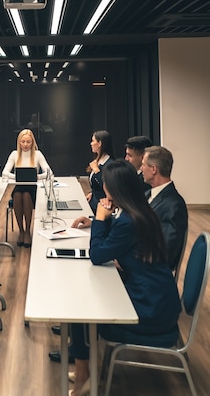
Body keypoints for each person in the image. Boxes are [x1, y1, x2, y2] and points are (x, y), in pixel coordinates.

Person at [69, 160, 181, 396]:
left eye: (107, 186)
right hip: (158, 299)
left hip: (150, 310)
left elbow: (98, 254)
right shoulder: (140, 212)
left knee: (79, 309)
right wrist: (103, 221)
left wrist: (100, 219)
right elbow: (118, 245)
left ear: (116, 189)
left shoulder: (128, 221)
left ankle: (83, 379)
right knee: (85, 299)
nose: (104, 191)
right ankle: (88, 368)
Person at [140, 145, 188, 271]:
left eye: (143, 165)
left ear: (154, 169)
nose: (141, 169)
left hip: (147, 274)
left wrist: (127, 262)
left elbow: (166, 254)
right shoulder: (147, 195)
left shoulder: (174, 206)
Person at [2, 128, 50, 248]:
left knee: (27, 195)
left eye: (28, 142)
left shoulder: (38, 154)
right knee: (18, 195)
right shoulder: (14, 154)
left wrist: (36, 177)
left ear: (32, 142)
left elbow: (49, 172)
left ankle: (28, 231)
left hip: (33, 188)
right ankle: (21, 231)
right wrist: (17, 176)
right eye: (23, 142)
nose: (25, 145)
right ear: (19, 142)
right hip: (19, 186)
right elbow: (4, 172)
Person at [86, 130, 114, 213]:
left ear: (99, 143)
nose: (91, 143)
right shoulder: (98, 160)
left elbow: (108, 187)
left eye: (93, 141)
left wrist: (96, 171)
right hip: (93, 202)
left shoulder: (109, 164)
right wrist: (92, 193)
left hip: (101, 207)